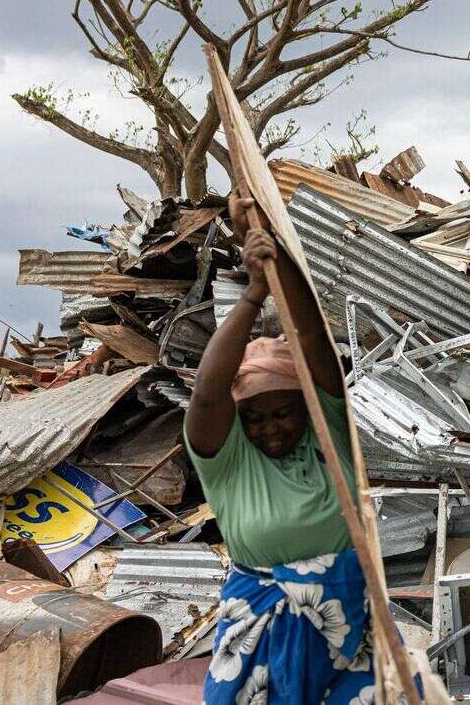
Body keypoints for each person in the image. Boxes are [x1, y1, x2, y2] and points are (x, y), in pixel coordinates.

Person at [185, 197, 375, 705]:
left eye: (282, 412)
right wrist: (252, 295)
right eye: (255, 417)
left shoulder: (330, 438)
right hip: (258, 628)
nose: (269, 429)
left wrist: (272, 247)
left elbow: (311, 335)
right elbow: (207, 391)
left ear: (308, 408)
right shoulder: (229, 462)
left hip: (348, 628)